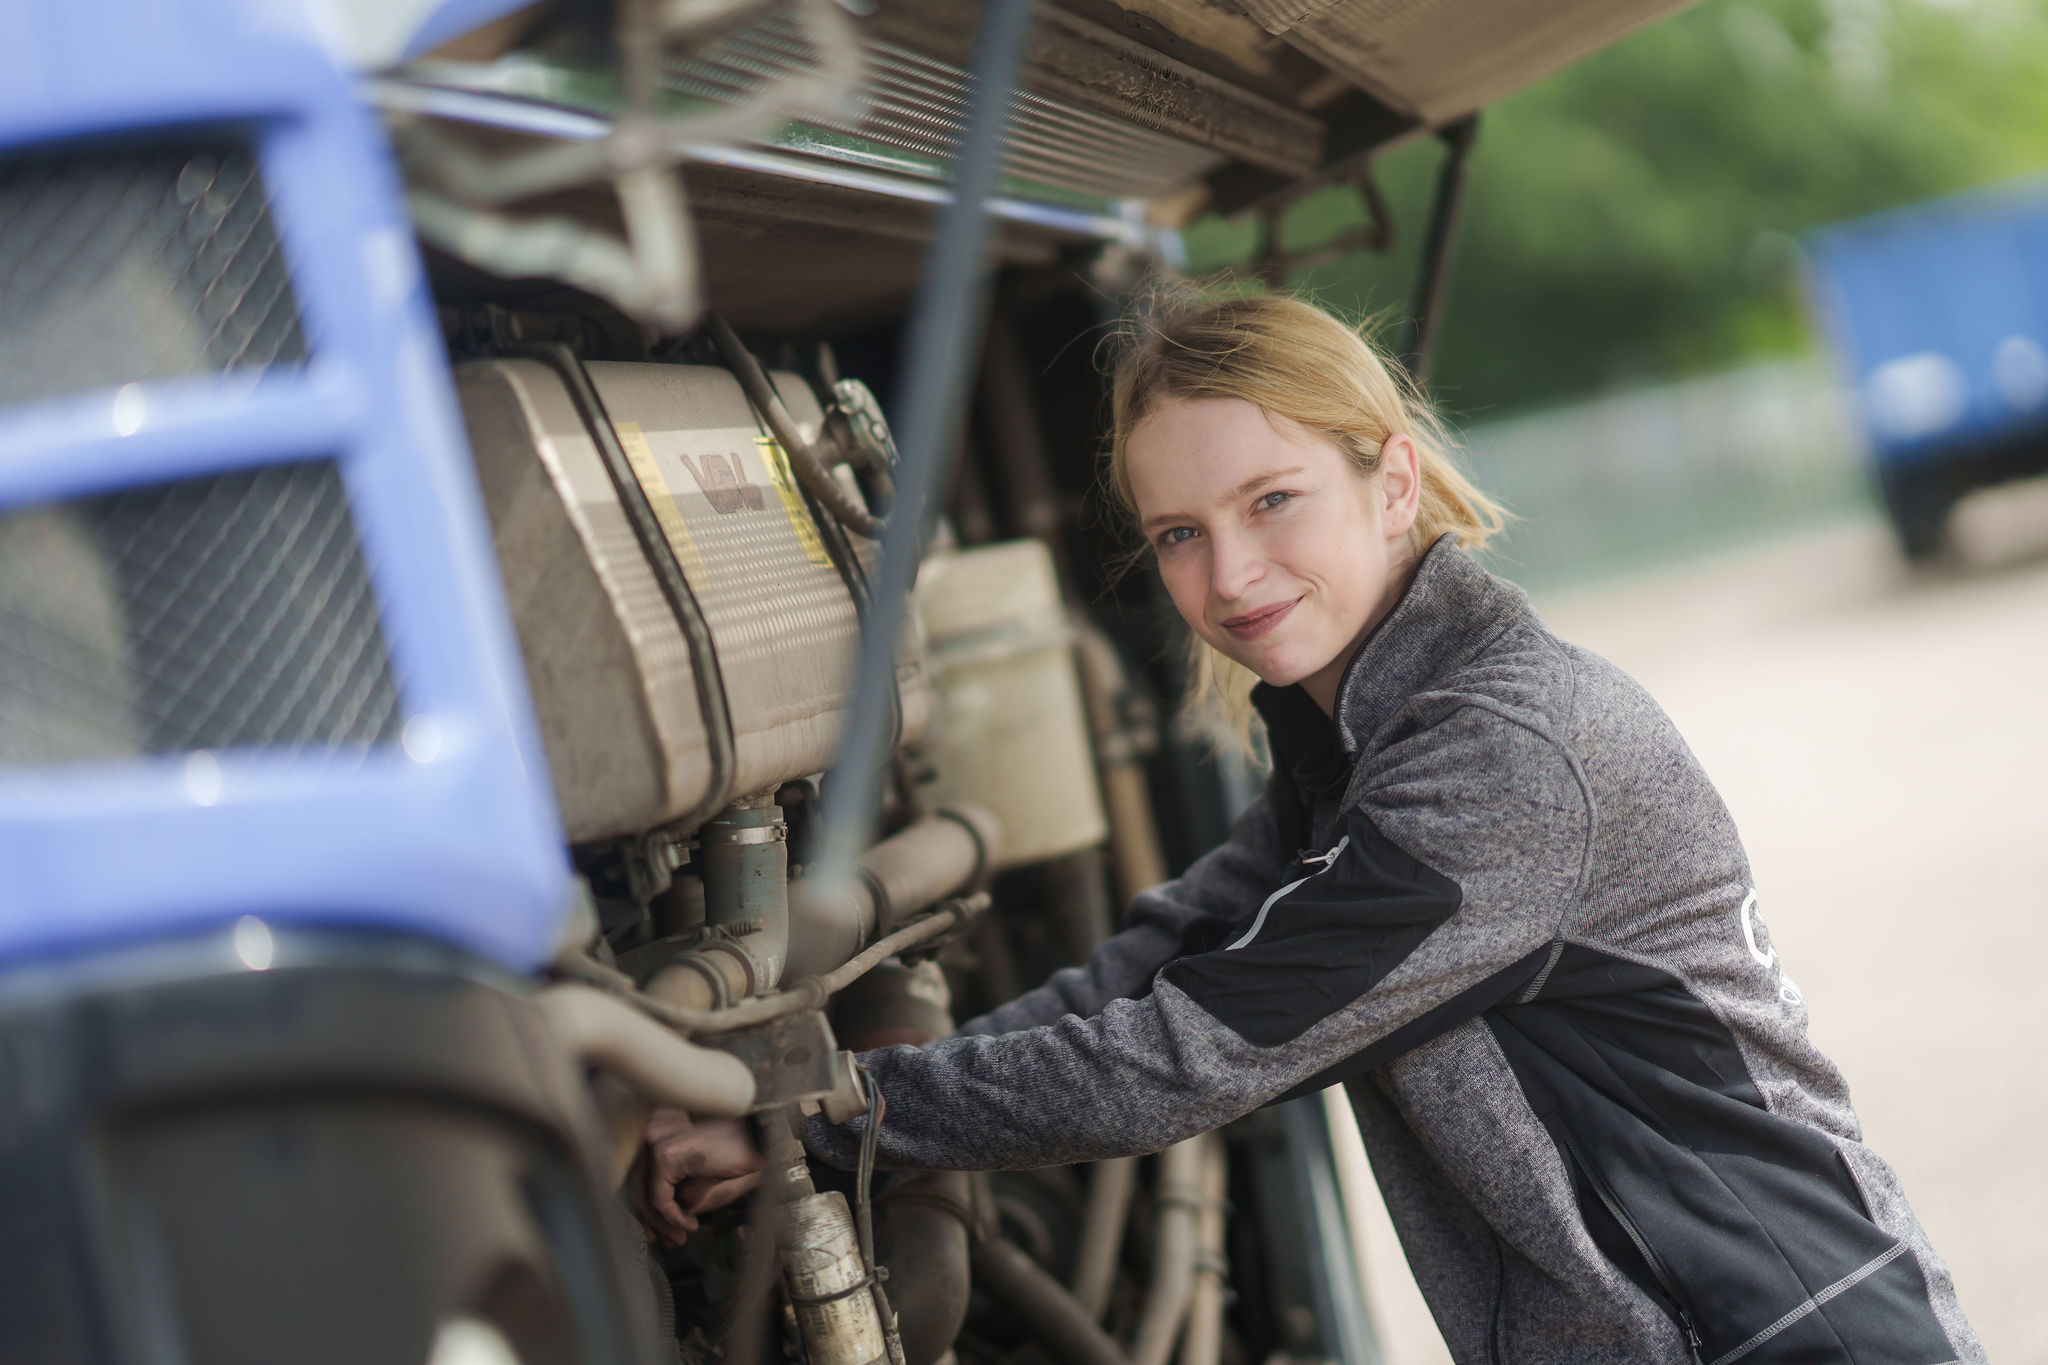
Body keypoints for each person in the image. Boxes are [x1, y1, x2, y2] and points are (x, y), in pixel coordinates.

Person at [643, 292, 1983, 1364]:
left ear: (1393, 481)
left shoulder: (1496, 756)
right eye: (1178, 532)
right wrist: (821, 1104)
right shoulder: (1357, 743)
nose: (1226, 576)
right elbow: (1160, 961)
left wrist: (835, 1119)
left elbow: (1185, 1052)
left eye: (1272, 500)